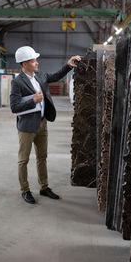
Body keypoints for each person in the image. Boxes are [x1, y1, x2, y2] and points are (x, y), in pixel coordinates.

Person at [10, 46, 81, 204]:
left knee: (42, 157)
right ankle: (25, 190)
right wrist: (32, 101)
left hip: (42, 124)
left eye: (36, 60)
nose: (37, 63)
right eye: (33, 60)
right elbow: (14, 106)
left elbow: (55, 76)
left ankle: (44, 187)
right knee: (24, 160)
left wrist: (68, 65)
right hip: (27, 127)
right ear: (24, 63)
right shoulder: (17, 82)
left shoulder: (40, 76)